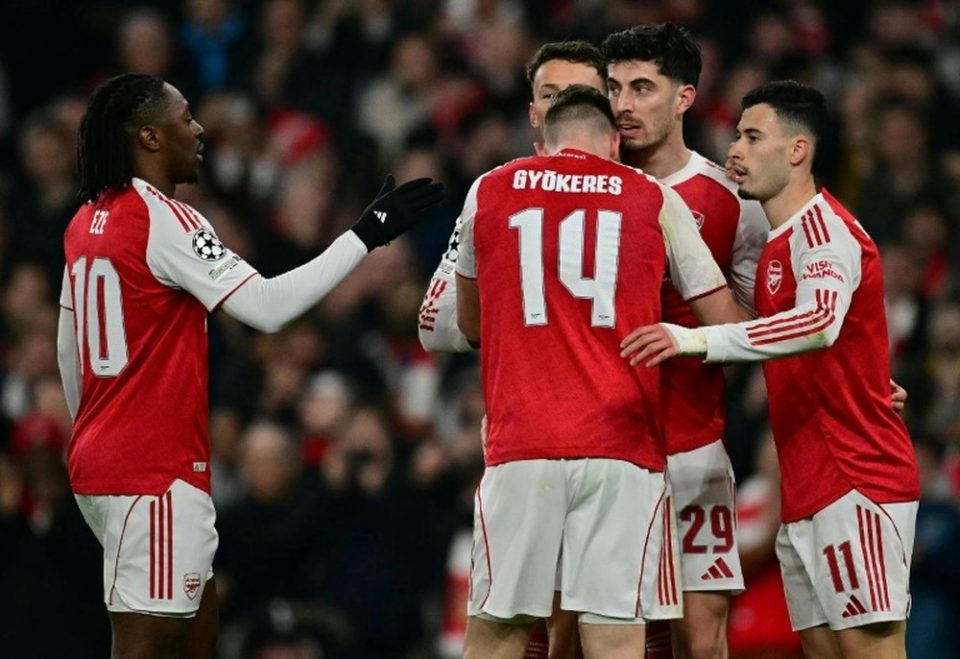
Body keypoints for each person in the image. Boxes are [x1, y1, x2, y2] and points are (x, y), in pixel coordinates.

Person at [56, 73, 443, 659]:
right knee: (145, 646)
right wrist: (367, 233)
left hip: (102, 464)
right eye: (185, 118)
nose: (198, 130)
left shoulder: (86, 219)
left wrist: (91, 432)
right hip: (153, 473)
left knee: (199, 628)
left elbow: (69, 346)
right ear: (150, 138)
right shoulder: (168, 220)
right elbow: (266, 307)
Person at [621, 80, 920, 659]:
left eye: (753, 137)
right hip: (803, 488)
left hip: (856, 481)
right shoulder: (777, 247)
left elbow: (819, 323)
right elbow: (821, 340)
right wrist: (863, 379)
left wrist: (693, 339)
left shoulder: (824, 231)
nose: (735, 149)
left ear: (798, 150)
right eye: (736, 135)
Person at [454, 84, 747, 659]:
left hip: (523, 446)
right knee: (615, 640)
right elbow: (726, 324)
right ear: (614, 143)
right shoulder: (651, 195)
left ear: (544, 144)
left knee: (498, 634)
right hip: (623, 451)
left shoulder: (489, 188)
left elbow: (469, 323)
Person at [600, 23, 769, 659]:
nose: (624, 104)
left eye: (642, 87)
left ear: (684, 97)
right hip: (605, 450)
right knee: (608, 635)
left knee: (702, 640)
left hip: (695, 447)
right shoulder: (588, 191)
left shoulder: (733, 200)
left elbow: (764, 325)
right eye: (614, 88)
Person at [418, 40, 607, 353]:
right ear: (533, 114)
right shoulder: (491, 191)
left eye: (579, 94)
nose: (564, 106)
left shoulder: (648, 194)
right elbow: (432, 323)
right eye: (550, 95)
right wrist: (531, 312)